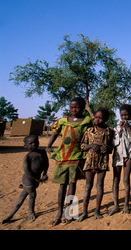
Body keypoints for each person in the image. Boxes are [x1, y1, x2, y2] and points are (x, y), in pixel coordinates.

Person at [46, 96, 93, 226]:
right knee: (62, 186)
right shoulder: (63, 121)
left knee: (72, 185)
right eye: (72, 107)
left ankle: (67, 212)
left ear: (83, 108)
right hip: (62, 157)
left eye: (77, 107)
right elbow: (55, 133)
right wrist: (49, 145)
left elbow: (91, 135)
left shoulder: (87, 121)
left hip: (76, 157)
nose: (74, 110)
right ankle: (59, 213)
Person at [78, 108, 114, 221]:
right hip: (90, 161)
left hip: (102, 162)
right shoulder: (89, 131)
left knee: (99, 185)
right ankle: (84, 212)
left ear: (106, 119)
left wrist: (106, 148)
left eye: (100, 118)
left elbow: (112, 147)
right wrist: (91, 146)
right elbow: (83, 146)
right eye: (96, 117)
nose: (97, 119)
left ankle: (97, 210)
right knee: (88, 186)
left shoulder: (109, 131)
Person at [2, 135, 48, 223]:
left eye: (36, 142)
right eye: (31, 143)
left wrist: (45, 173)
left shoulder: (42, 152)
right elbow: (27, 171)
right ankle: (31, 213)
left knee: (22, 197)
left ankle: (10, 216)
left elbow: (46, 163)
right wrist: (36, 179)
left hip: (35, 179)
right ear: (25, 146)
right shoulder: (28, 157)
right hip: (29, 180)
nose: (34, 144)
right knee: (32, 195)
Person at [110, 104, 131, 215]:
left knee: (126, 179)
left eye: (127, 115)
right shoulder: (116, 126)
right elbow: (113, 142)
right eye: (122, 115)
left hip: (129, 154)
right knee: (116, 179)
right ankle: (116, 205)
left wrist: (128, 128)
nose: (124, 117)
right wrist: (120, 130)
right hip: (117, 155)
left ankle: (126, 205)